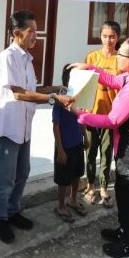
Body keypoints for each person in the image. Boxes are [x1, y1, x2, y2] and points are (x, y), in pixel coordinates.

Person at [68, 36, 129, 258]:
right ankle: (124, 231)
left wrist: (81, 115)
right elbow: (111, 80)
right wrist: (89, 67)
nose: (116, 55)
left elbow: (112, 120)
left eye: (121, 54)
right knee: (123, 189)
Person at [0, 10, 73, 244]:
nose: (36, 36)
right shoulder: (7, 57)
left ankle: (13, 212)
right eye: (31, 32)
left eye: (36, 31)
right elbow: (18, 93)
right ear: (17, 33)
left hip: (24, 127)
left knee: (22, 172)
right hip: (9, 128)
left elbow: (33, 89)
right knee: (6, 177)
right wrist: (52, 99)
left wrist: (56, 89)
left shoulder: (26, 59)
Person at [82, 20, 120, 208]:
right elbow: (83, 83)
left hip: (110, 115)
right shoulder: (91, 57)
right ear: (100, 36)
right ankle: (90, 186)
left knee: (106, 152)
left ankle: (104, 187)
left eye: (112, 36)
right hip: (91, 113)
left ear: (118, 38)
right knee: (90, 152)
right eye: (105, 36)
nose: (108, 40)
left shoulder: (120, 59)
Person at [52, 65, 88, 223]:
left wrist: (85, 137)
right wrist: (60, 150)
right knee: (62, 179)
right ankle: (60, 206)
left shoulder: (80, 96)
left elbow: (82, 118)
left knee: (77, 174)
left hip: (77, 143)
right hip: (65, 147)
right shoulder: (61, 99)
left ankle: (72, 200)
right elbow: (56, 125)